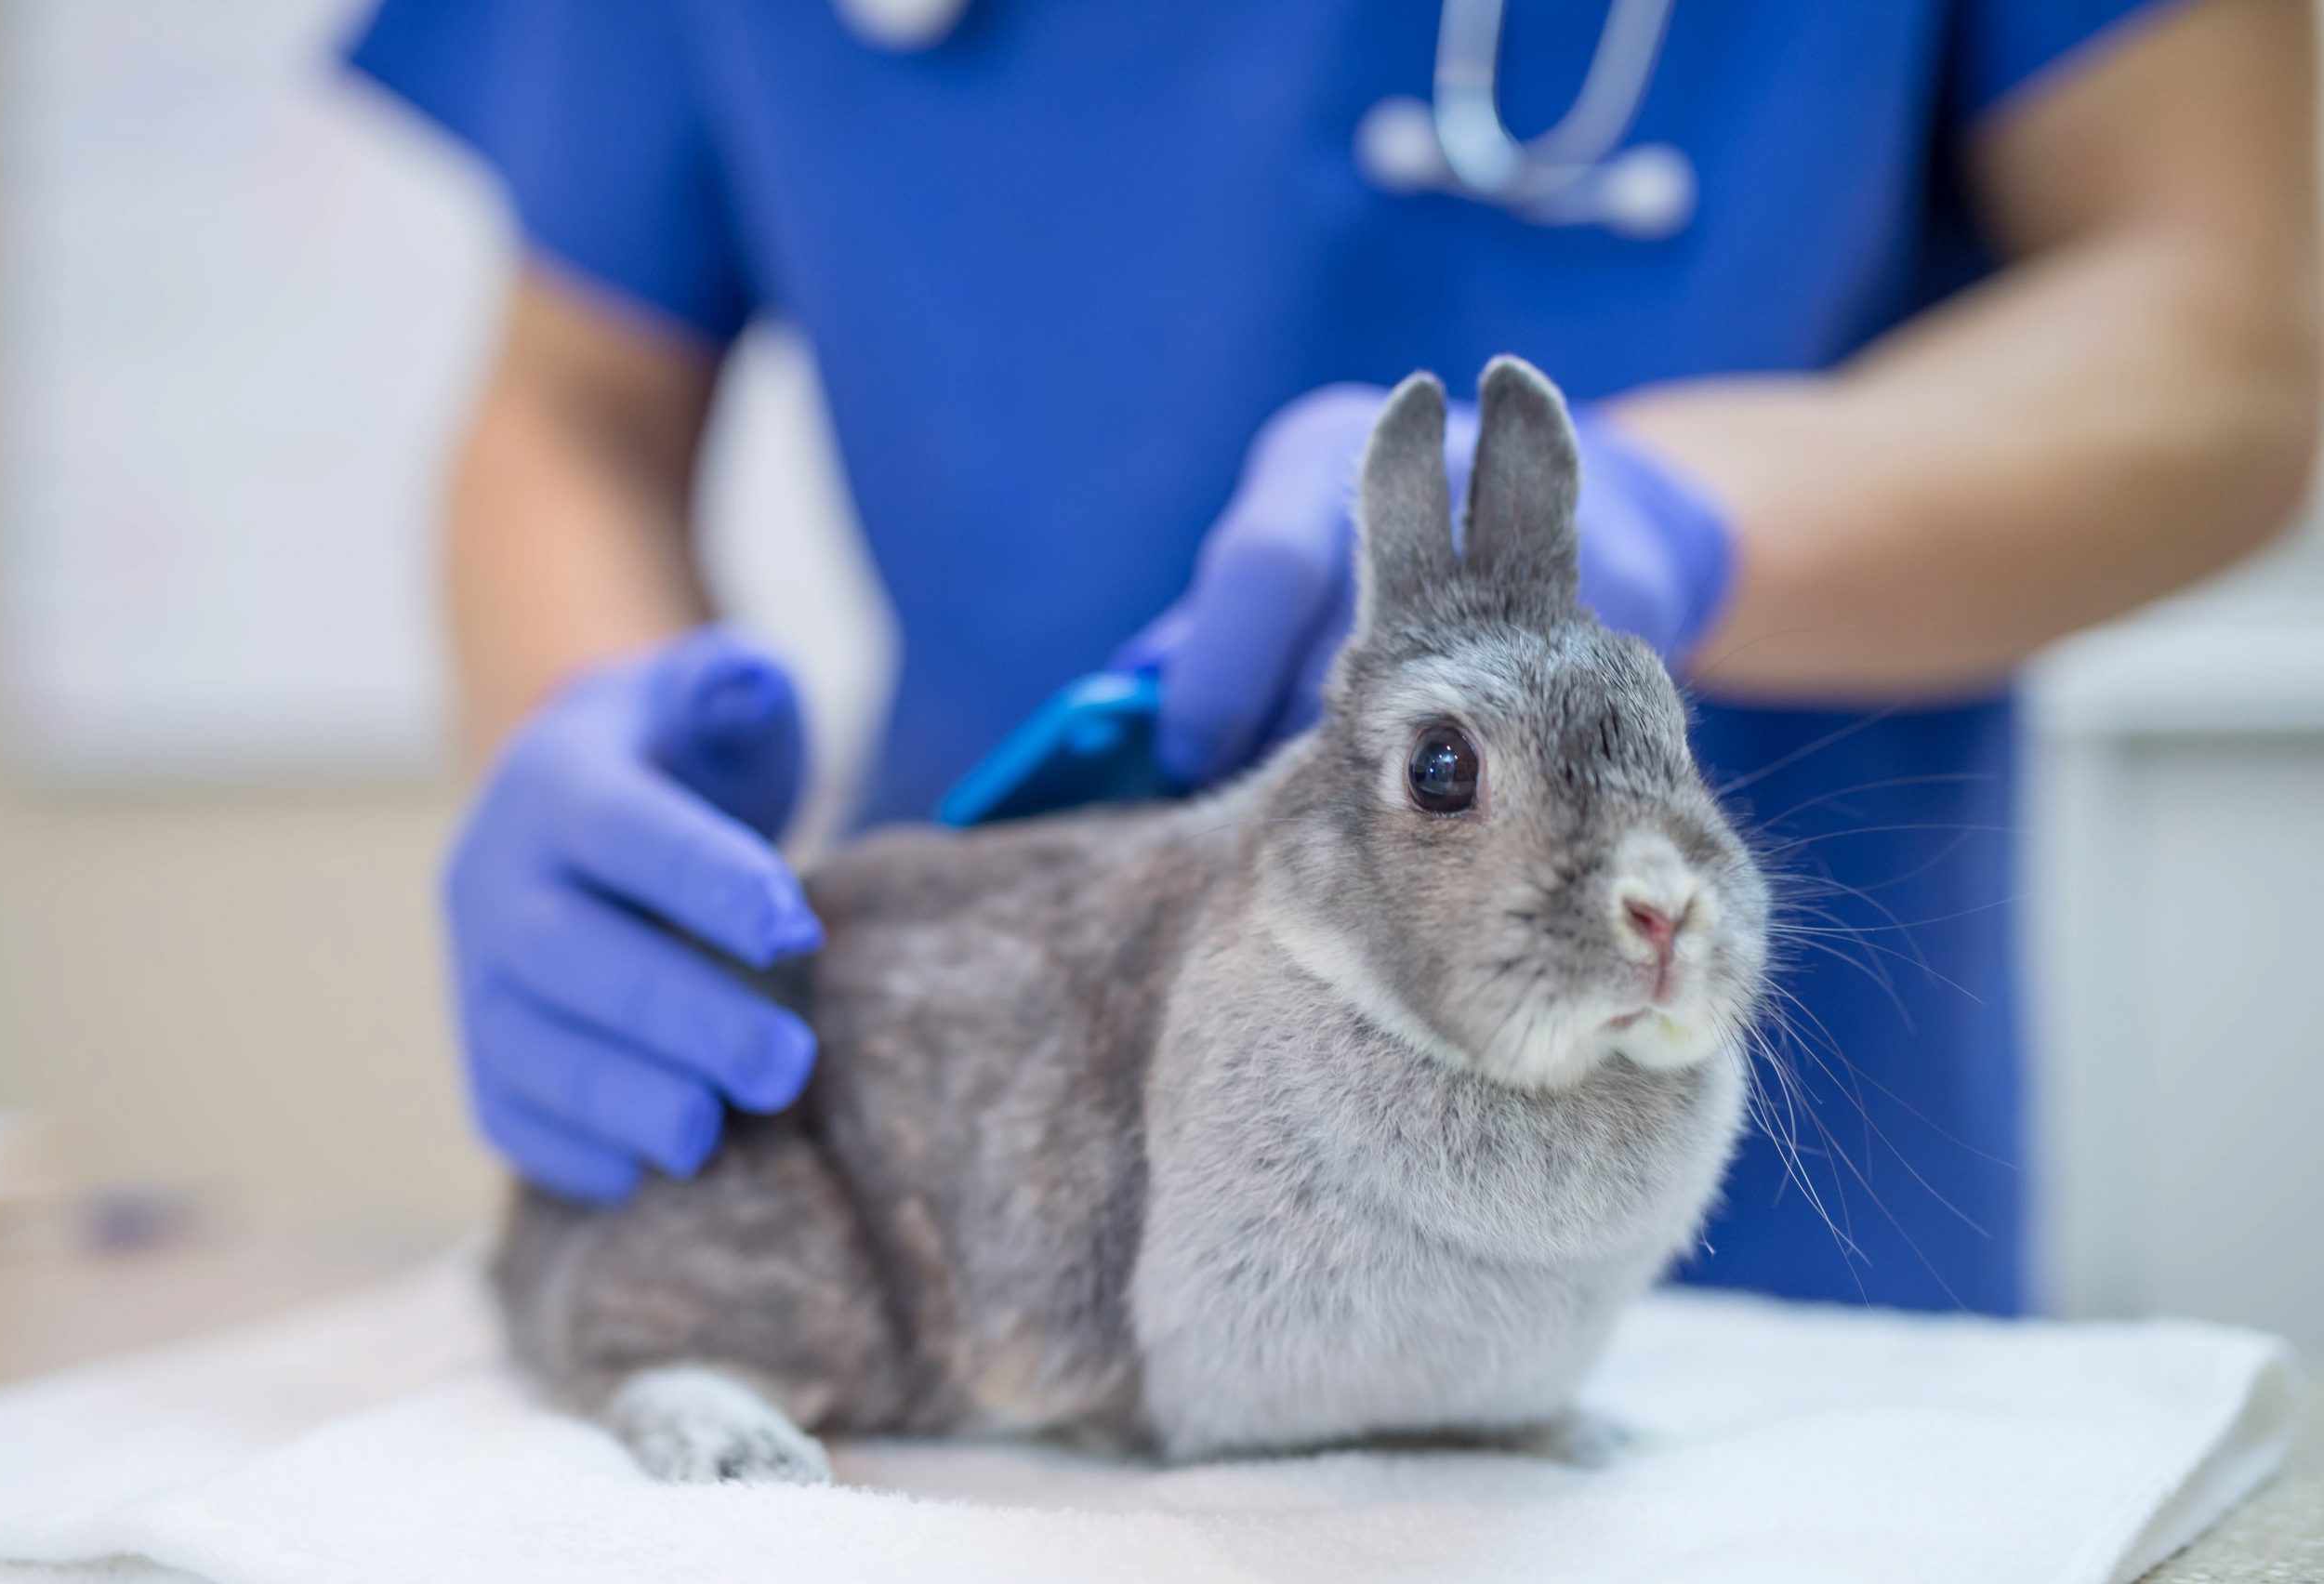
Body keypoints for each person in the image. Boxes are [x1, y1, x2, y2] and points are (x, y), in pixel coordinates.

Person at [353, 0, 2318, 1313]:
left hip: (1776, 1269)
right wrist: (602, 761)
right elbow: (576, 402)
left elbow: (2222, 321)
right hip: (1009, 1182)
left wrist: (1674, 525)